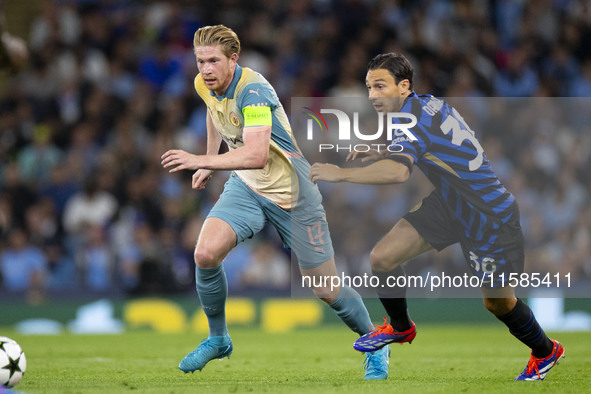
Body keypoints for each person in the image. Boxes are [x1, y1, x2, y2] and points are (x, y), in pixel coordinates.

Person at [309, 53, 564, 381]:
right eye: (369, 87)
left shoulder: (410, 117)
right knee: (383, 258)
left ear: (403, 86)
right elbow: (434, 143)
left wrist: (339, 174)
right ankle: (400, 328)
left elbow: (399, 174)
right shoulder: (425, 104)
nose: (372, 94)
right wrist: (383, 150)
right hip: (450, 203)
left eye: (380, 86)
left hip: (488, 215)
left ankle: (546, 350)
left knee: (499, 304)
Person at [160, 25, 387, 379]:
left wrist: (200, 161)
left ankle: (375, 343)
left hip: (293, 193)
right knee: (205, 253)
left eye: (213, 61)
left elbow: (255, 154)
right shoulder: (204, 83)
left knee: (325, 287)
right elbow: (212, 108)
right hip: (247, 188)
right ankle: (218, 339)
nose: (205, 69)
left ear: (233, 59)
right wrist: (210, 154)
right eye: (200, 61)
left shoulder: (254, 91)